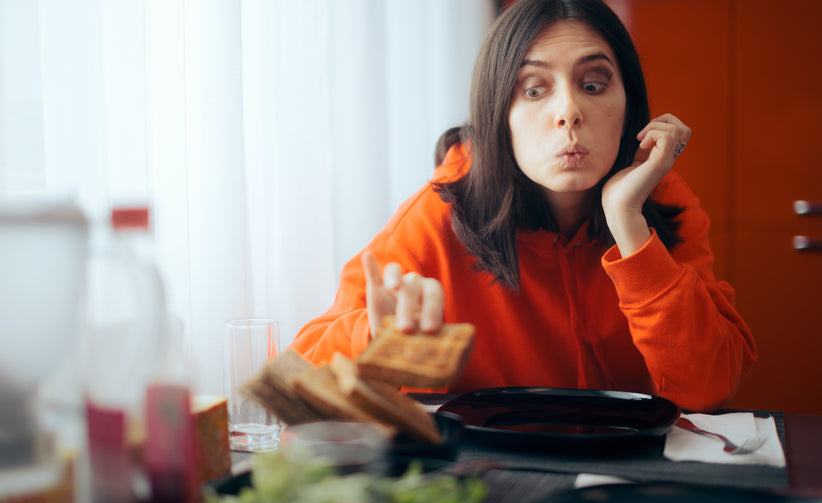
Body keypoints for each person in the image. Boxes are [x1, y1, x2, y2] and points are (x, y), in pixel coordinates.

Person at [289, 0, 756, 412]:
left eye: (593, 84)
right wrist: (376, 341)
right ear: (498, 116)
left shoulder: (661, 201)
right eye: (534, 90)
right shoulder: (438, 216)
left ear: (629, 104)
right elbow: (301, 375)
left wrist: (629, 226)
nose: (568, 111)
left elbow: (709, 389)